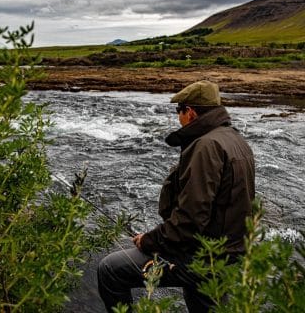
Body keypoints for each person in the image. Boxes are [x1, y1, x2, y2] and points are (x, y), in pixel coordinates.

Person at [97, 80, 255, 312]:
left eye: (178, 111)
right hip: (229, 255)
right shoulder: (236, 140)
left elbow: (190, 222)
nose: (177, 118)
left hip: (203, 260)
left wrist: (149, 241)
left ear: (189, 112)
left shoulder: (205, 146)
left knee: (110, 269)